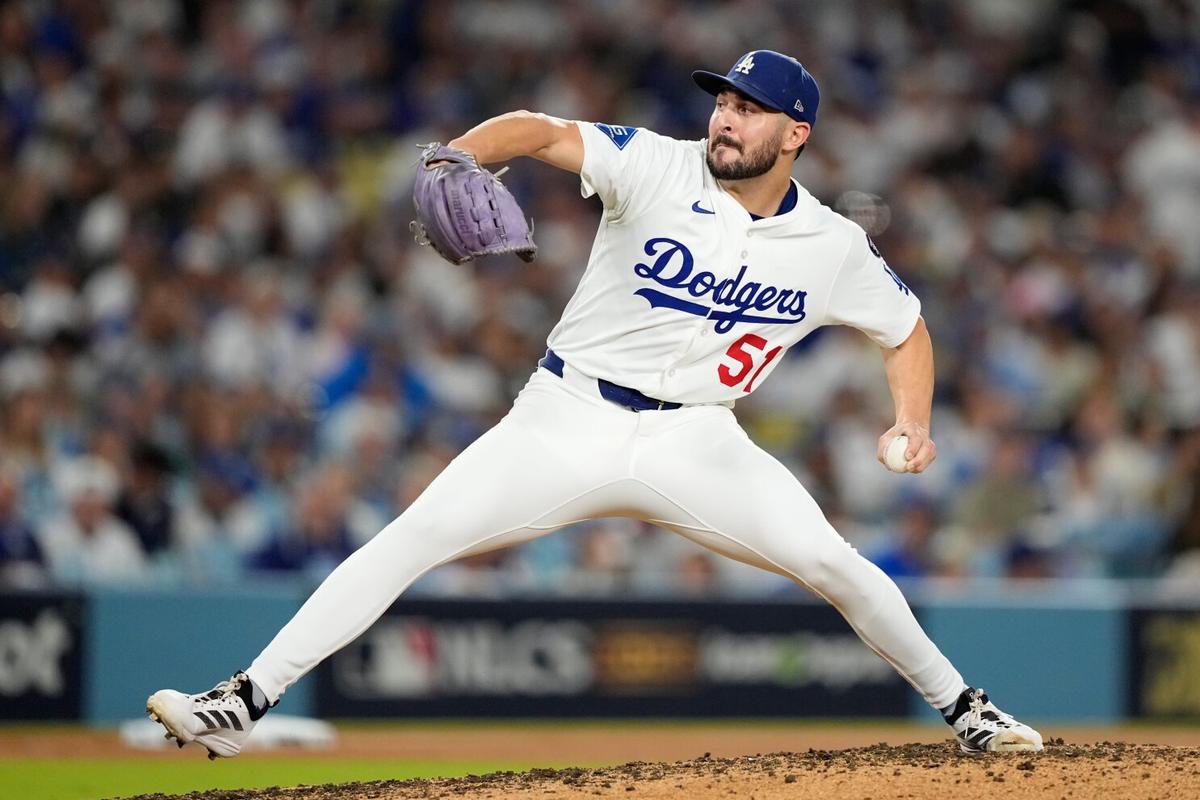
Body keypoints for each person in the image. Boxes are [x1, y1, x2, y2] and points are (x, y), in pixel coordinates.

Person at [147, 50, 1042, 759]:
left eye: (750, 108)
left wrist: (912, 421)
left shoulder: (832, 243)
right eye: (724, 101)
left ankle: (967, 710)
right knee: (413, 535)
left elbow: (906, 330)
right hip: (565, 418)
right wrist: (465, 153)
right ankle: (243, 701)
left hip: (699, 440)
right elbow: (540, 131)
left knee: (833, 562)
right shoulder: (653, 162)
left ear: (796, 132)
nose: (726, 117)